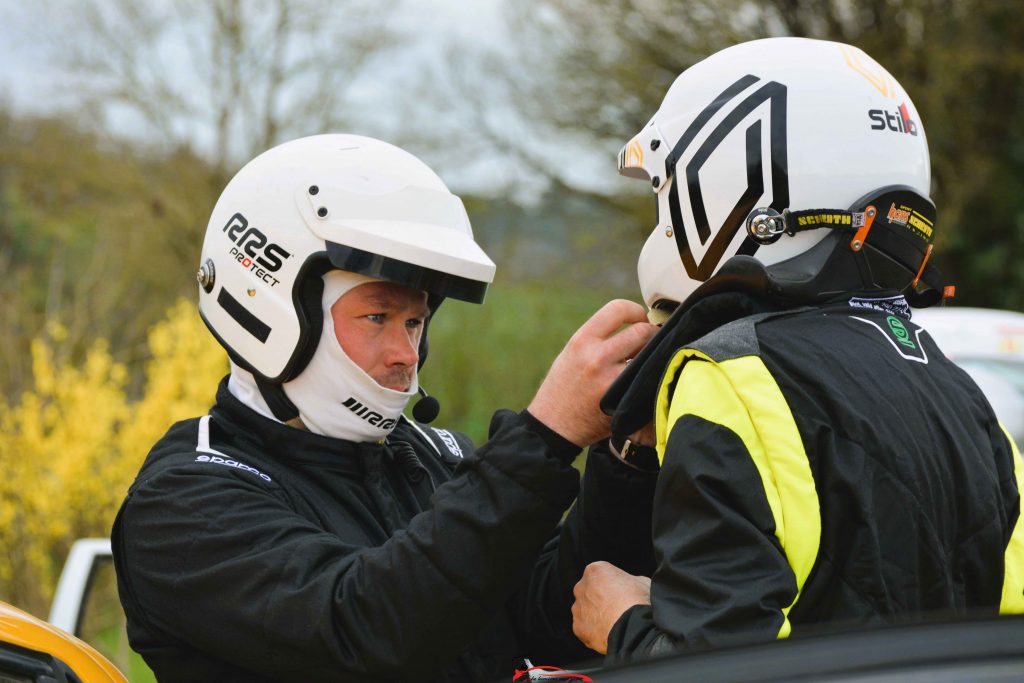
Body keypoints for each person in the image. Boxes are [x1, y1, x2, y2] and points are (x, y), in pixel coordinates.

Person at [111, 134, 660, 682]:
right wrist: (544, 437)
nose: (406, 355)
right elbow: (366, 628)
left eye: (415, 323)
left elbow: (554, 619)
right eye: (377, 318)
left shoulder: (432, 458)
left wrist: (625, 461)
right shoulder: (182, 503)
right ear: (275, 303)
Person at [571, 37, 1024, 661]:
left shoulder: (729, 379)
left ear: (729, 179)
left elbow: (715, 668)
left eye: (662, 193)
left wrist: (621, 623)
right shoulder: (963, 394)